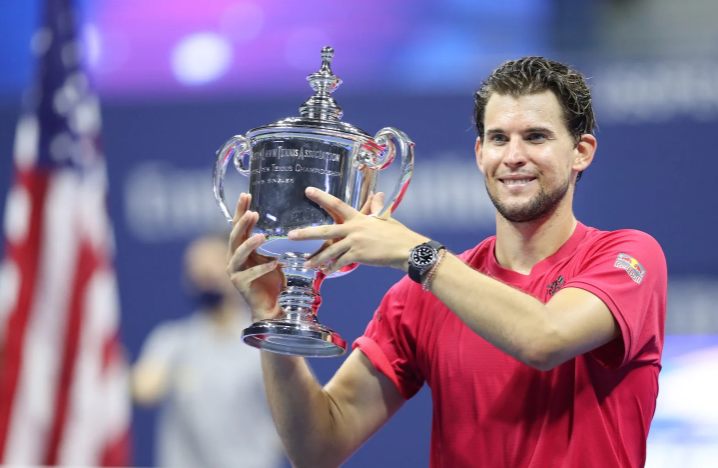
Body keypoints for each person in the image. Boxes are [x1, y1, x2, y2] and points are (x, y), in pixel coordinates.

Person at [226, 57, 667, 468]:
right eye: (498, 138)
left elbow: (545, 339)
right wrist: (275, 320)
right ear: (479, 154)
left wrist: (417, 254)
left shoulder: (628, 256)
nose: (513, 156)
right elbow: (317, 446)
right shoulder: (423, 295)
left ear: (581, 152)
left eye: (535, 136)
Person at [132, 235, 284, 468]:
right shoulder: (171, 340)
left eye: (212, 264)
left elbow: (296, 416)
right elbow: (144, 390)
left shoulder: (265, 342)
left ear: (237, 269)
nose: (203, 273)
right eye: (194, 267)